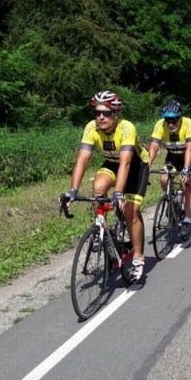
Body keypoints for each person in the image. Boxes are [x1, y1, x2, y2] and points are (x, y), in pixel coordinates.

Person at [63, 91, 151, 282]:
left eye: (107, 113)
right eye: (97, 113)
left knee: (130, 212)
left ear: (116, 114)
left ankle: (138, 257)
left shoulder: (127, 128)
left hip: (136, 166)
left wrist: (119, 192)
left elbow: (126, 163)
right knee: (98, 187)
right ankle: (102, 229)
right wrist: (73, 190)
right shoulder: (91, 128)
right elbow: (82, 159)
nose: (101, 117)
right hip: (111, 163)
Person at [148, 100, 191, 241]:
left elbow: (190, 147)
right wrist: (146, 167)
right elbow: (153, 147)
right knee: (164, 178)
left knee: (187, 185)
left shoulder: (188, 123)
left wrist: (186, 169)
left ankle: (187, 221)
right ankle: (173, 201)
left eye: (174, 120)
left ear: (180, 117)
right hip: (172, 157)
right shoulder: (160, 125)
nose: (171, 124)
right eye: (168, 120)